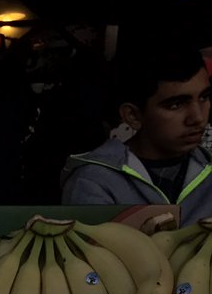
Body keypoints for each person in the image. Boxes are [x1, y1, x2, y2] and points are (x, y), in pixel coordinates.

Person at [60, 45, 212, 224]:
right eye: (176, 104)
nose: (198, 117)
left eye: (204, 97)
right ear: (132, 115)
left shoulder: (207, 168)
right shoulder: (93, 182)